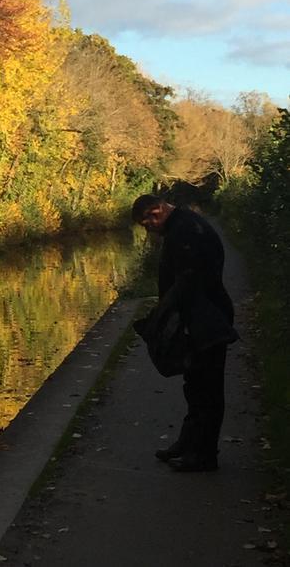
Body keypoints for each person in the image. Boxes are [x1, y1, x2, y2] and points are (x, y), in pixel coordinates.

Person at [131, 194, 236, 472]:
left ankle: (204, 455)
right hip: (200, 317)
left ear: (157, 211)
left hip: (206, 321)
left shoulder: (186, 230)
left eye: (147, 223)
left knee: (207, 389)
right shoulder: (183, 225)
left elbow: (189, 281)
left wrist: (165, 317)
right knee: (195, 386)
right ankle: (189, 443)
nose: (148, 229)